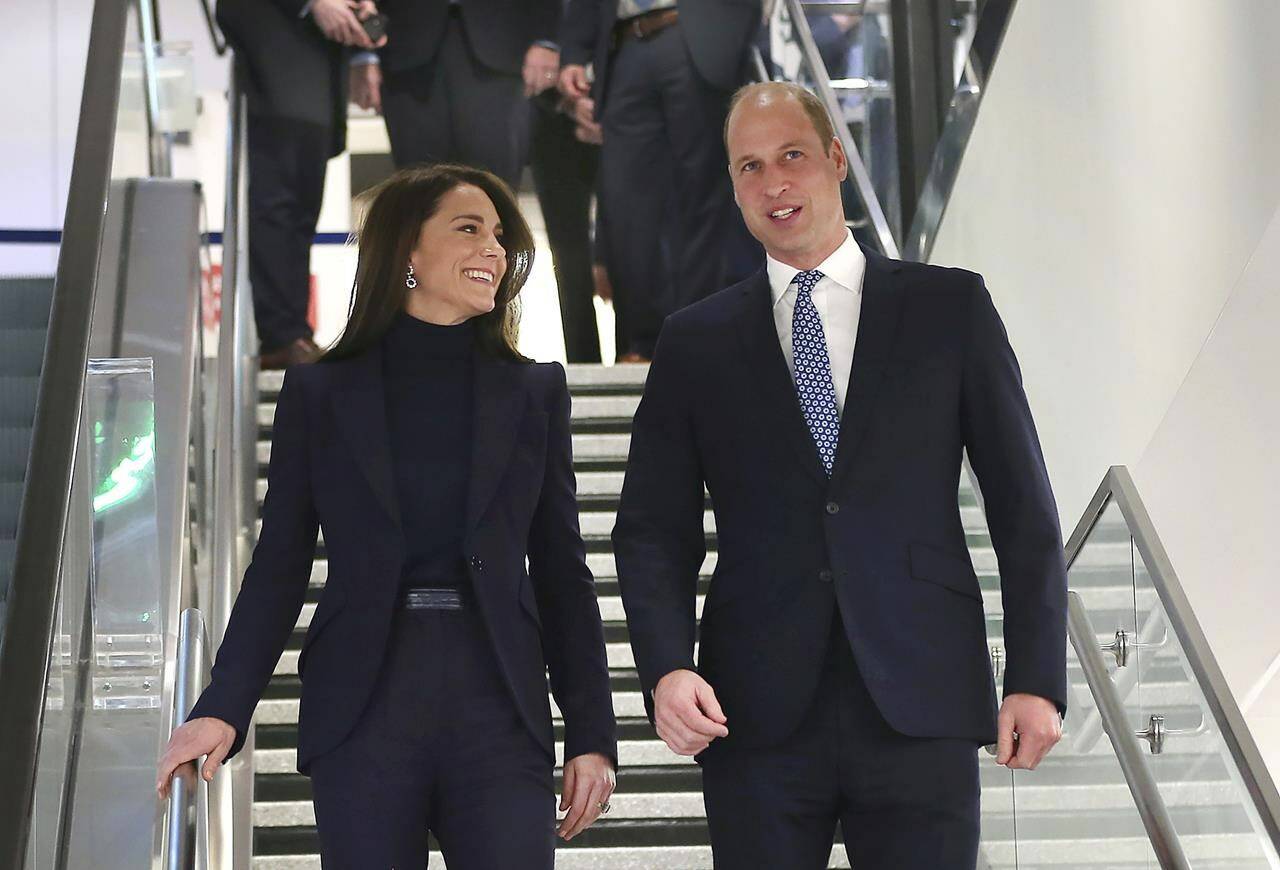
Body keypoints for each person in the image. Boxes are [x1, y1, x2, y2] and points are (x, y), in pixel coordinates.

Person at [612, 82, 1067, 868]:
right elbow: (654, 528)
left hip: (921, 696)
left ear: (835, 159)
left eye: (791, 155)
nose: (773, 183)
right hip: (753, 713)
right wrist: (666, 666)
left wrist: (1037, 677)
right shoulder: (695, 342)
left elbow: (1023, 507)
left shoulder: (949, 308)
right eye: (749, 167)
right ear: (733, 188)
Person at [157, 165, 618, 866]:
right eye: (469, 229)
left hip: (498, 699)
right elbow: (280, 563)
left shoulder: (535, 391)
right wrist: (222, 706)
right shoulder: (319, 392)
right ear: (407, 249)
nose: (494, 249)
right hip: (364, 704)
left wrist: (592, 731)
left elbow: (561, 571)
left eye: (499, 235)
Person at [557, 0, 764, 361]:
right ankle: (644, 341)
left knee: (704, 201)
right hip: (625, 44)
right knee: (623, 202)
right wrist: (575, 48)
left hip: (700, 30)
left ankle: (695, 341)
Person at [216, 0, 384, 369]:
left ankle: (294, 333)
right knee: (280, 199)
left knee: (303, 202)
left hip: (321, 52)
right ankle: (281, 336)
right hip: (275, 37)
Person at [349, 0, 560, 186]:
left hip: (504, 43)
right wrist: (362, 54)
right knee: (417, 191)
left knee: (495, 191)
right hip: (403, 42)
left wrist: (546, 39)